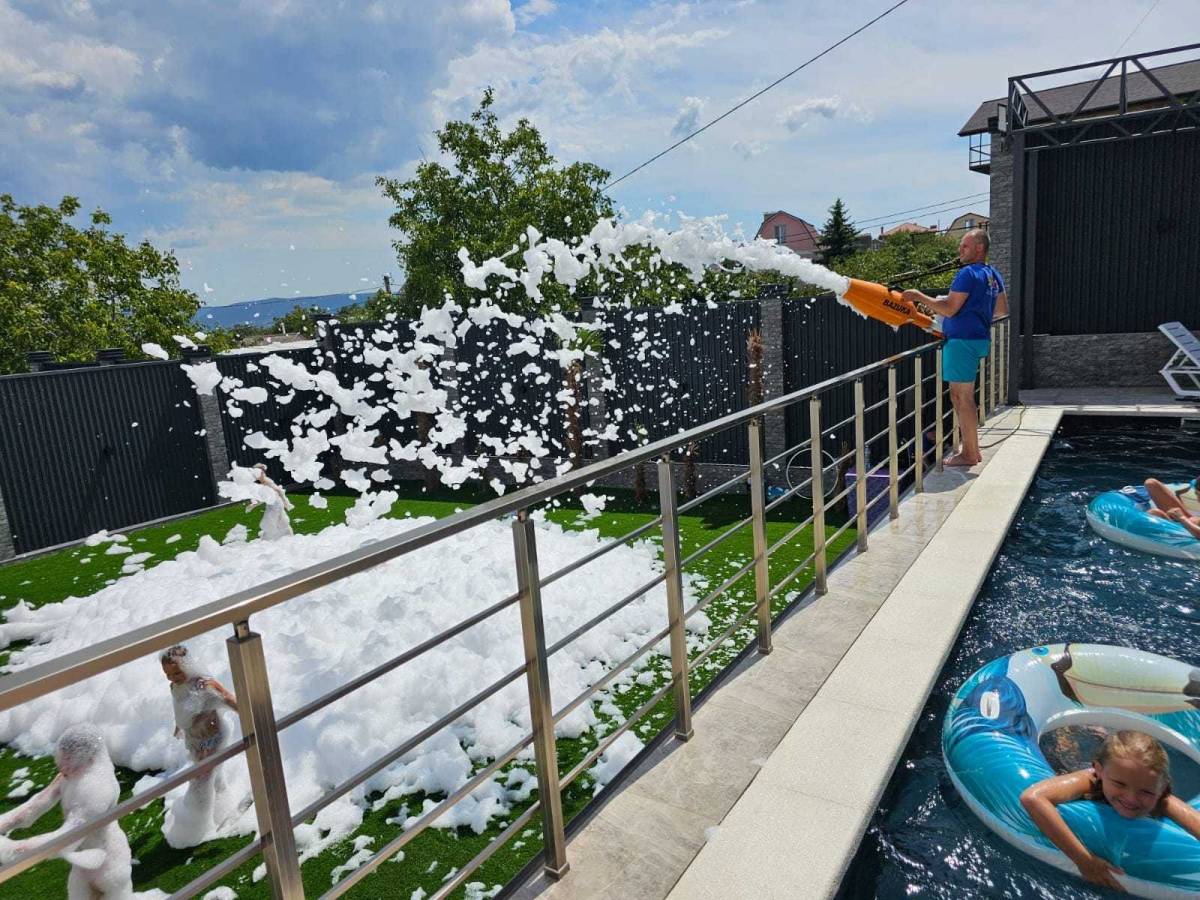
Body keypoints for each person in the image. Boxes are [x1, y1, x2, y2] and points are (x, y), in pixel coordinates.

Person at [1020, 730, 1200, 891]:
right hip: (1073, 768)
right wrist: (1084, 860)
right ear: (1099, 770)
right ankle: (1073, 734)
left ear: (1162, 788)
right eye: (1119, 784)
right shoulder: (1090, 779)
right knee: (1064, 753)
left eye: (1146, 792)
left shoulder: (1161, 797)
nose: (1131, 798)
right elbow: (1032, 798)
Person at [903, 229, 1008, 466]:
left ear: (979, 248)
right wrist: (975, 315)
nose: (960, 250)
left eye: (965, 246)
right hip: (978, 339)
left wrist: (919, 296)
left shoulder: (967, 273)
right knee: (958, 396)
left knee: (963, 397)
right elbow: (1001, 311)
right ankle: (971, 450)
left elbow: (950, 309)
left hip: (961, 342)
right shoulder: (993, 275)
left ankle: (970, 453)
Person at [0, 724, 134, 899]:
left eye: (69, 761)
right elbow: (34, 807)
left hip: (110, 865)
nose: (62, 768)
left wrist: (10, 850)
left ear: (89, 758)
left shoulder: (97, 789)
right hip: (84, 861)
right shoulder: (69, 774)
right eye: (61, 758)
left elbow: (67, 839)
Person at [160, 645, 238, 848]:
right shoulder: (175, 686)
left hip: (212, 738)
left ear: (189, 666)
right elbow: (181, 708)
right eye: (168, 674)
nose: (172, 678)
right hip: (195, 739)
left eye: (177, 672)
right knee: (213, 776)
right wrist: (179, 727)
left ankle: (194, 830)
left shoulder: (203, 685)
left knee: (201, 781)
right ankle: (222, 810)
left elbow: (228, 698)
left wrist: (253, 715)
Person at [247, 463, 294, 540]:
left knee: (269, 523)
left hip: (275, 505)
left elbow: (279, 491)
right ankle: (289, 537)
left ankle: (266, 541)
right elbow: (265, 497)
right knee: (280, 522)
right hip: (274, 504)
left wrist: (286, 502)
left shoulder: (266, 481)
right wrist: (253, 505)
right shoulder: (264, 481)